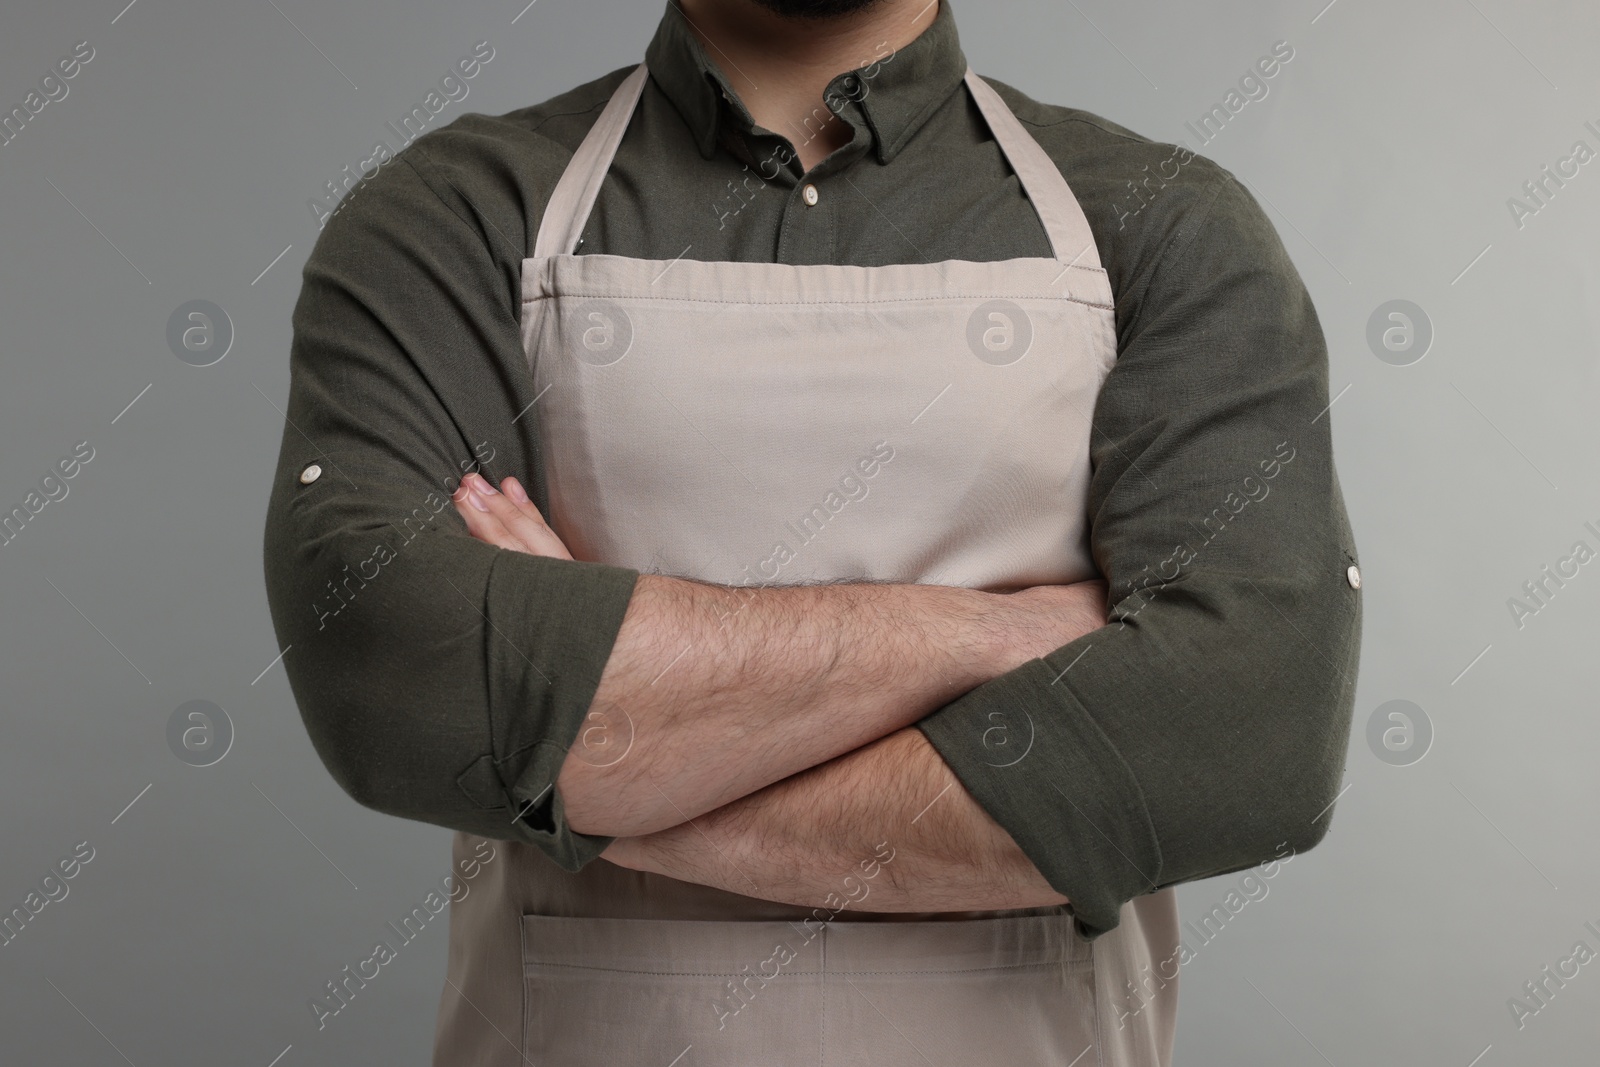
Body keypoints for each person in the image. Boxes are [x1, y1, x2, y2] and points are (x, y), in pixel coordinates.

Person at [261, 0, 1363, 1063]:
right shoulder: (456, 214)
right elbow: (394, 672)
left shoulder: (1163, 221)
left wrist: (583, 782)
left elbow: (1244, 737)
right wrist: (981, 636)